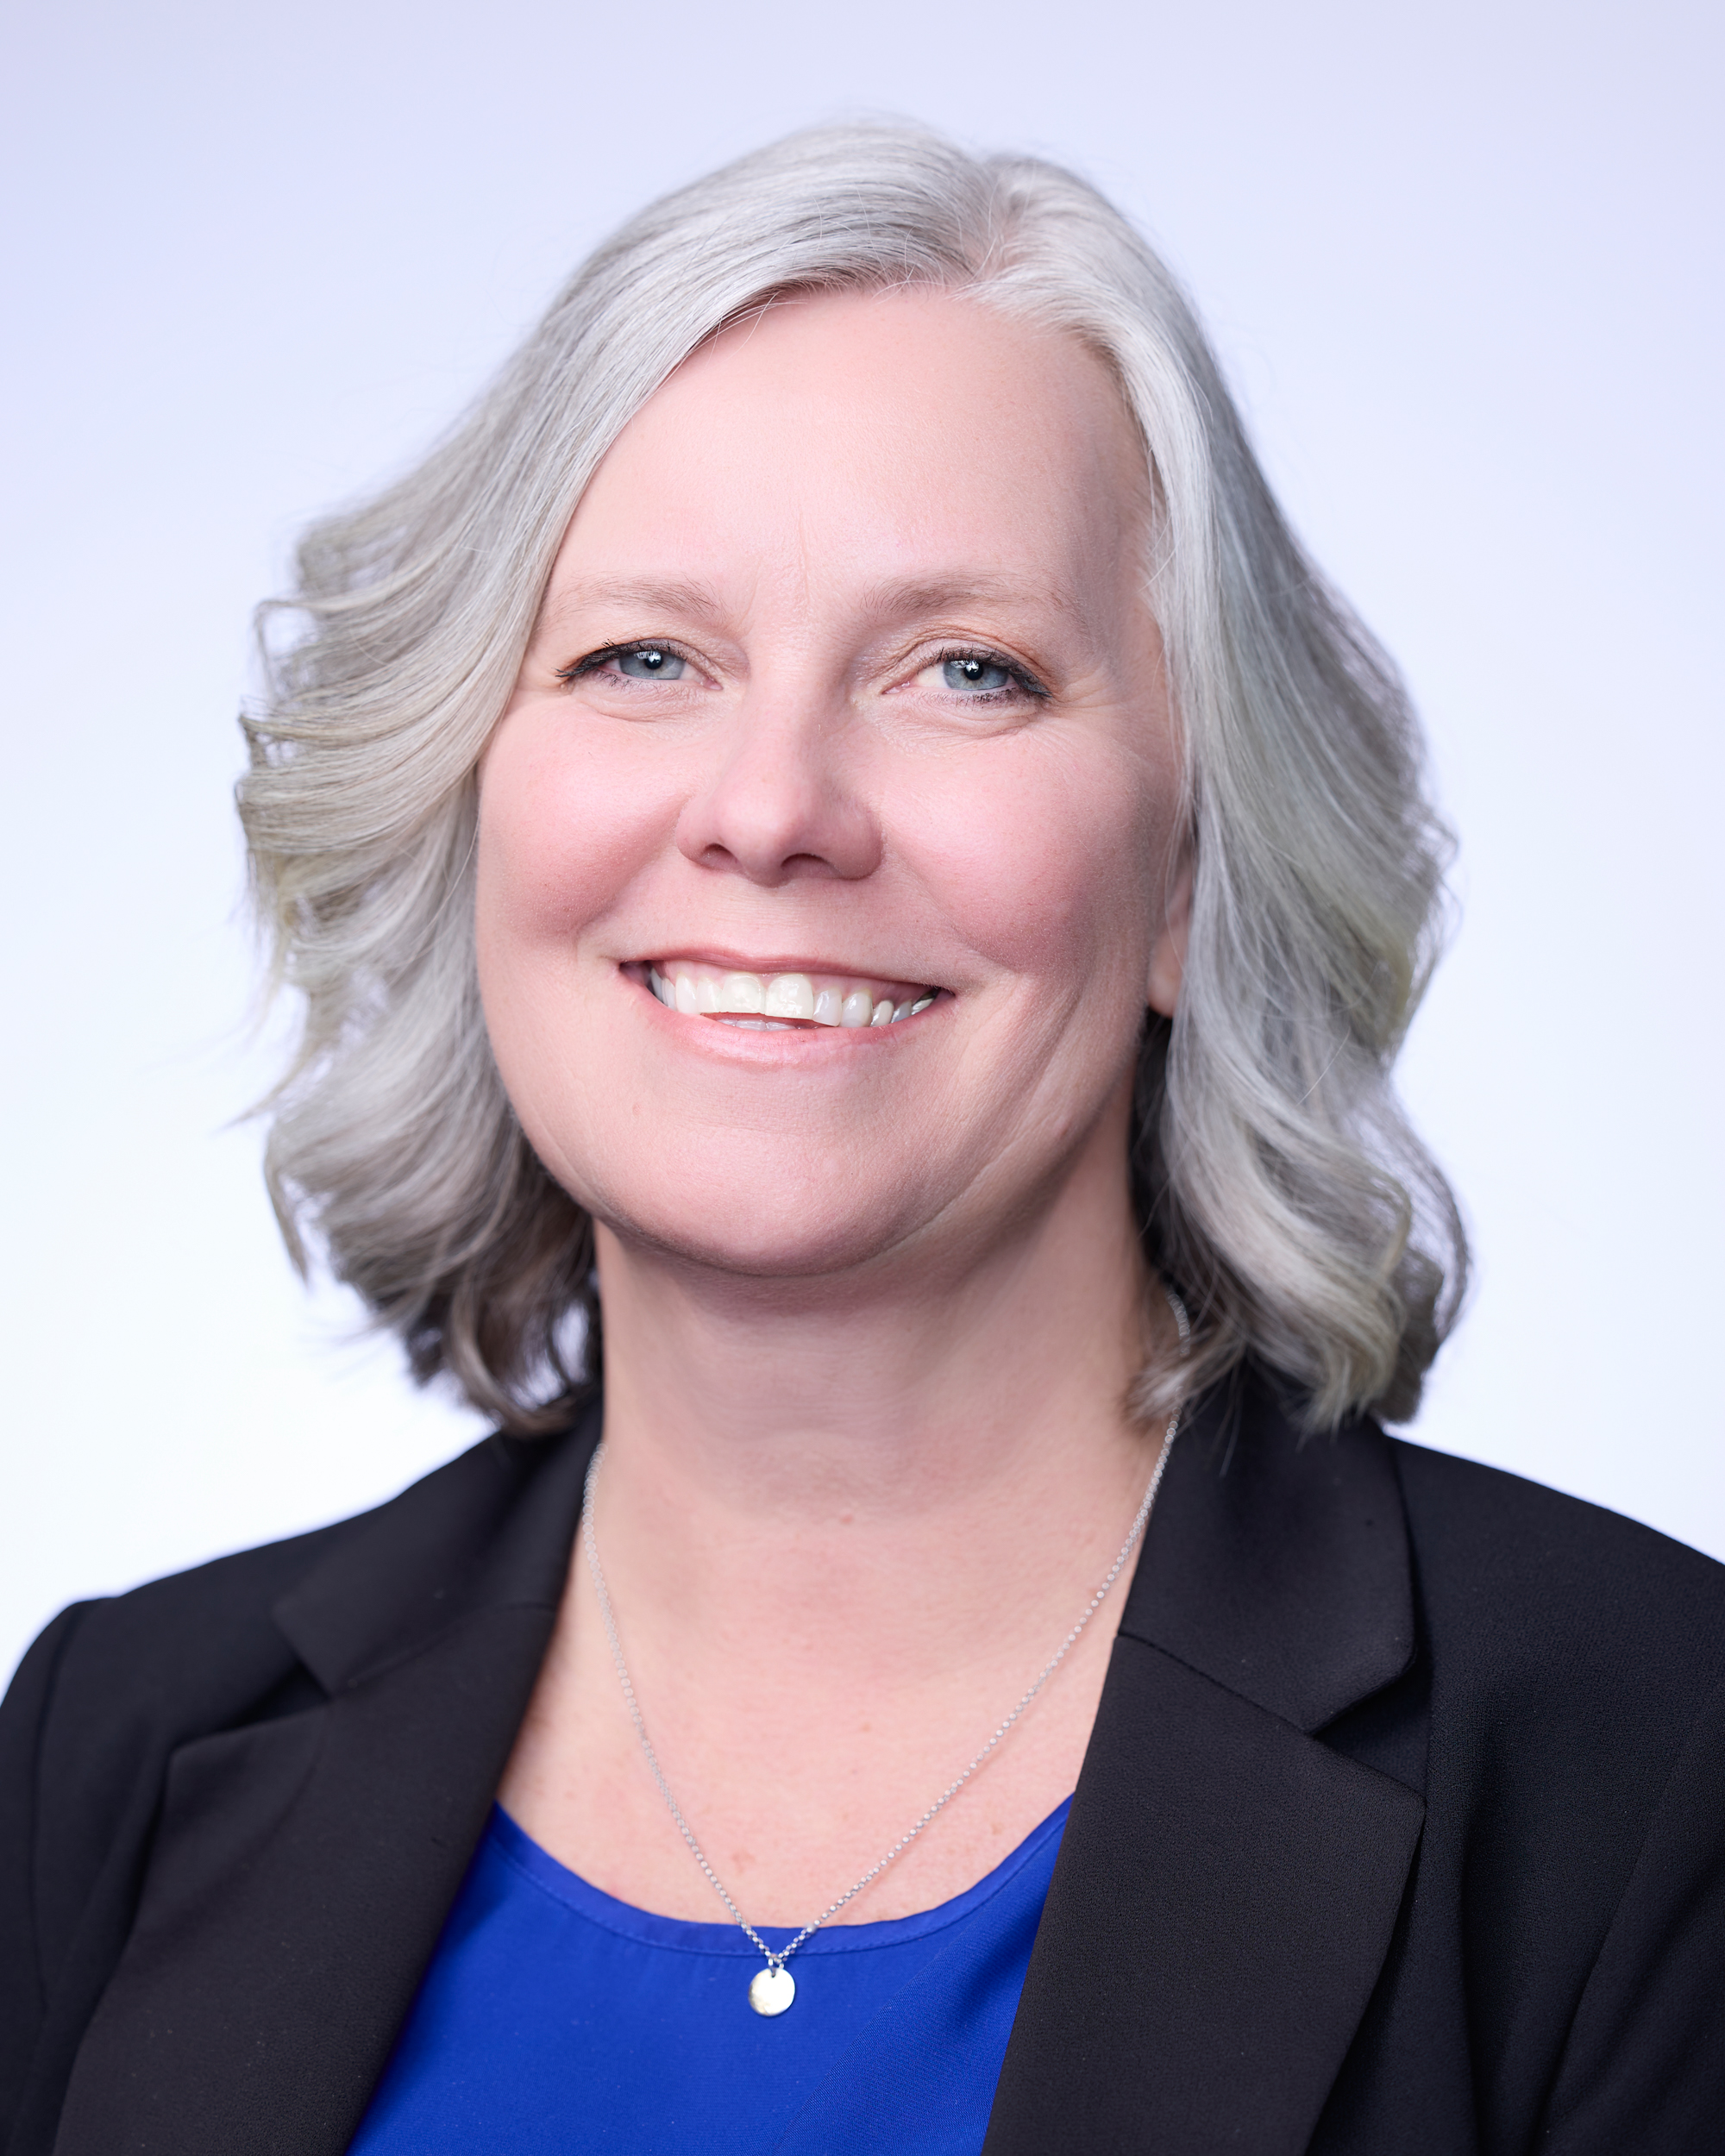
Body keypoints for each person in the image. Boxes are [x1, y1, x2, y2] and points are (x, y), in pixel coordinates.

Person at [3, 123, 1722, 2156]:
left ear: (1188, 869)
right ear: (468, 795)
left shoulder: (1644, 1763)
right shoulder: (113, 1742)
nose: (772, 804)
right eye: (645, 654)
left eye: (965, 671)